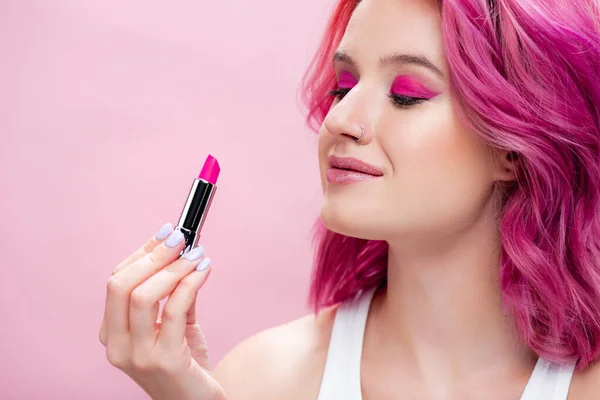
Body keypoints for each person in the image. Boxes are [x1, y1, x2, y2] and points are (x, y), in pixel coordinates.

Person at [99, 0, 600, 398]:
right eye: (344, 85)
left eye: (407, 94)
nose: (339, 120)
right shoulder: (264, 380)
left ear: (514, 147)